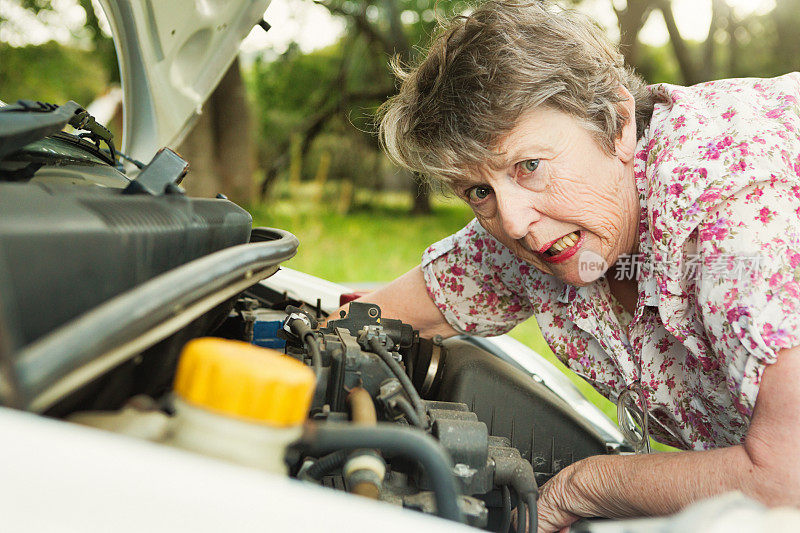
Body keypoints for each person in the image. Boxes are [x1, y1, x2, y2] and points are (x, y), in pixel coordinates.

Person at [333, 1, 800, 531]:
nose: (512, 223)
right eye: (479, 191)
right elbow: (378, 316)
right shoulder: (552, 224)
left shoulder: (733, 211)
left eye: (528, 166)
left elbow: (787, 479)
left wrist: (584, 488)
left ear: (618, 123)